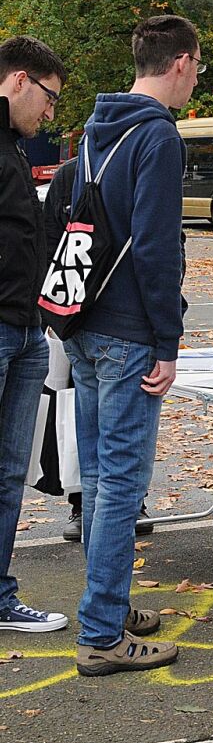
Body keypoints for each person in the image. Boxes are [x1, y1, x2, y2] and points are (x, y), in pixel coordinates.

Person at [64, 15, 200, 676]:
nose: (196, 80)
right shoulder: (157, 138)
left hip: (85, 326)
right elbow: (154, 249)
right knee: (121, 485)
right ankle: (101, 633)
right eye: (197, 68)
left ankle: (107, 607)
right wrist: (167, 342)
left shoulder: (96, 131)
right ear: (180, 62)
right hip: (127, 336)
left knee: (97, 480)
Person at [36, 159, 154, 542]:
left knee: (109, 441)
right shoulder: (73, 175)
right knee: (95, 434)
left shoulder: (134, 168)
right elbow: (48, 243)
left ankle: (121, 508)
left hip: (103, 323)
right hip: (86, 323)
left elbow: (166, 244)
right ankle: (85, 507)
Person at [0, 35, 68, 633]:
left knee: (8, 471)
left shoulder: (19, 150)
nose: (50, 113)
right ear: (19, 80)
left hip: (25, 330)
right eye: (48, 98)